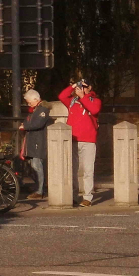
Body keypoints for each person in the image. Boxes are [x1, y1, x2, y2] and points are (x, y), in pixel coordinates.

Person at [59, 79, 102, 208]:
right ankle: (73, 195)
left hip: (88, 140)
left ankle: (87, 197)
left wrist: (84, 97)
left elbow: (94, 110)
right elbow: (61, 96)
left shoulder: (95, 100)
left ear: (90, 88)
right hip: (73, 139)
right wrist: (73, 85)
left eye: (84, 87)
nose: (81, 89)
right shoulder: (72, 101)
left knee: (88, 170)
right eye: (80, 87)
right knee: (73, 169)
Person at [19, 89, 52, 201]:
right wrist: (27, 125)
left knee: (37, 165)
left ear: (36, 99)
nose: (29, 104)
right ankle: (39, 187)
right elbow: (28, 122)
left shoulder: (42, 110)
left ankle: (40, 190)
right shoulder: (35, 110)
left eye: (29, 102)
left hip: (39, 141)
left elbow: (36, 124)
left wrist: (25, 126)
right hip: (33, 141)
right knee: (33, 166)